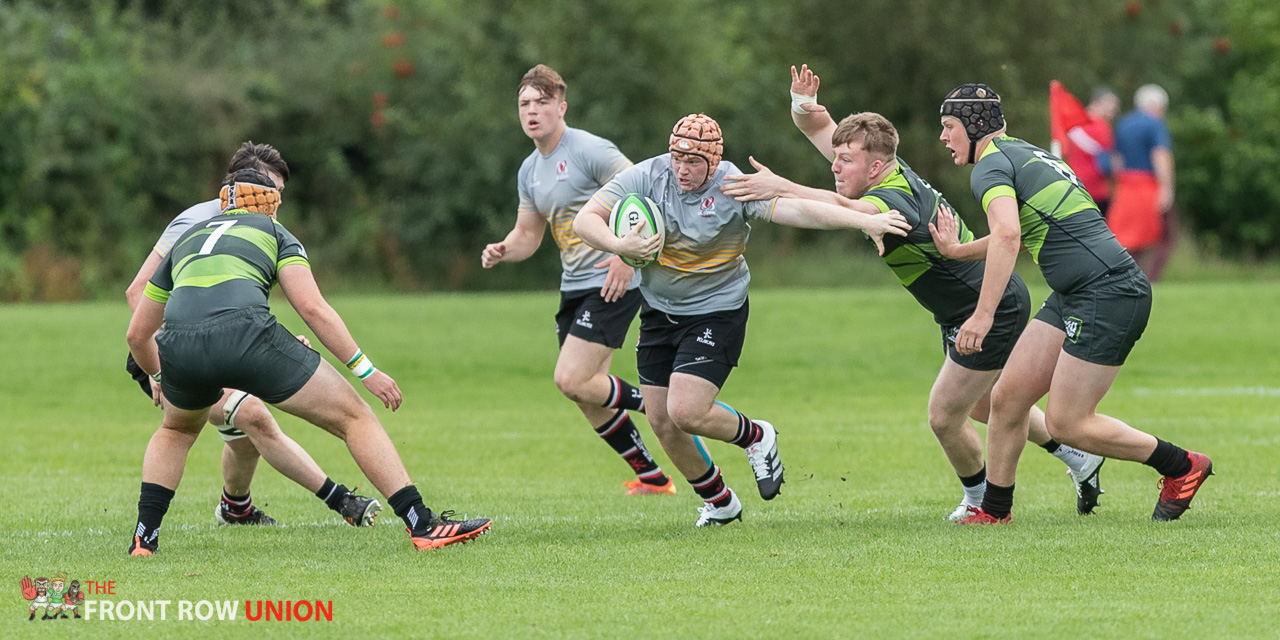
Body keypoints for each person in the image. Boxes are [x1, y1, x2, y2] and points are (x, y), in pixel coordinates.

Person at [721, 65, 1106, 520]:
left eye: (845, 160)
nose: (835, 167)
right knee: (984, 402)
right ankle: (1078, 456)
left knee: (945, 414)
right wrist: (800, 104)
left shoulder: (890, 200)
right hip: (964, 306)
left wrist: (779, 187)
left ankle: (982, 502)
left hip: (988, 305)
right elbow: (821, 129)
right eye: (838, 157)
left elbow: (840, 208)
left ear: (876, 165)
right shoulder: (876, 166)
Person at [125, 168, 491, 554]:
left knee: (177, 432)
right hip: (247, 335)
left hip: (178, 344)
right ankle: (422, 523)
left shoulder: (186, 239)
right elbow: (313, 309)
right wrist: (366, 370)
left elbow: (137, 334)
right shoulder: (275, 233)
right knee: (354, 417)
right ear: (272, 203)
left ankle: (145, 539)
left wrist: (159, 374)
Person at [574, 113, 911, 526]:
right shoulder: (647, 176)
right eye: (678, 157)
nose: (683, 168)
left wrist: (864, 219)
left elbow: (799, 211)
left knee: (686, 410)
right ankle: (719, 503)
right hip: (660, 310)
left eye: (694, 161)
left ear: (713, 162)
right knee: (662, 421)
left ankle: (756, 436)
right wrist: (618, 243)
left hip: (717, 311)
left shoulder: (734, 185)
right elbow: (585, 219)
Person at [932, 83, 1211, 524]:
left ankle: (1183, 466)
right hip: (1075, 293)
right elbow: (1023, 232)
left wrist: (983, 316)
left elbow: (1008, 236)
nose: (944, 138)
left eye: (949, 127)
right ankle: (995, 512)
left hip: (1108, 291)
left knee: (1068, 424)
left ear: (973, 125)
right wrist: (957, 251)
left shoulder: (988, 167)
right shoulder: (1024, 154)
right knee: (1007, 398)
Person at [124, 142, 381, 528]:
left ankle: (235, 507)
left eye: (279, 193)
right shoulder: (197, 221)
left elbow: (234, 301)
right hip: (172, 350)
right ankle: (340, 498)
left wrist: (274, 343)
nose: (275, 202)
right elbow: (137, 291)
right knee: (253, 416)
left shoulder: (258, 225)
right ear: (244, 184)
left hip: (220, 344)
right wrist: (159, 369)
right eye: (271, 190)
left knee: (244, 441)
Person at [481, 65, 672, 495]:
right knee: (586, 394)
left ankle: (665, 406)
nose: (532, 112)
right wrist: (503, 249)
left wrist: (628, 254)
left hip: (612, 279)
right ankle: (653, 478)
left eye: (541, 103)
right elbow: (528, 235)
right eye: (524, 104)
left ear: (561, 107)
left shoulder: (589, 149)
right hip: (574, 285)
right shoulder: (530, 170)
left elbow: (643, 192)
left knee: (571, 379)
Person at [1109, 84, 1176, 281]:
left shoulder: (1123, 124)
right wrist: (1167, 188)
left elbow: (1116, 160)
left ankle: (1130, 278)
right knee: (1166, 234)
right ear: (1156, 105)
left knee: (1129, 238)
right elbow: (1161, 156)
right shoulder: (1154, 124)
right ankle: (1151, 278)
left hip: (1125, 186)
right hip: (1148, 185)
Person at [1063, 87, 1120, 214]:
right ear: (1096, 102)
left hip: (1073, 185)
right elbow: (1107, 164)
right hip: (1097, 190)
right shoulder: (1101, 126)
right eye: (1110, 103)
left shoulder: (1074, 124)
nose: (1114, 108)